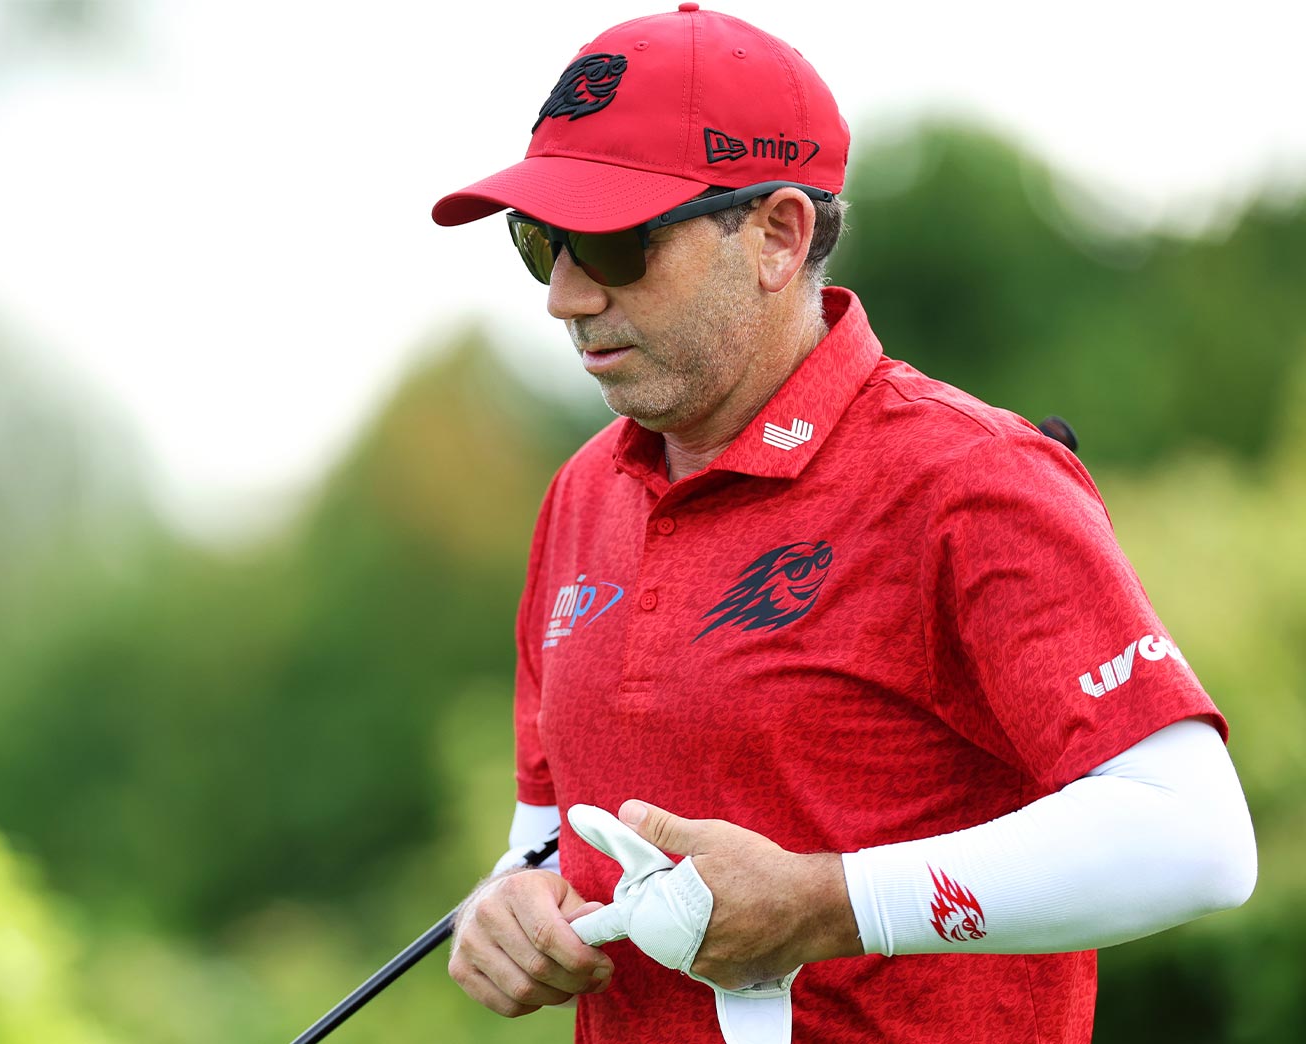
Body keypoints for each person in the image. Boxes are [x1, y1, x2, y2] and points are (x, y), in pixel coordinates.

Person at [428, 5, 1257, 1043]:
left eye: (610, 242)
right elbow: (549, 842)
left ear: (777, 235)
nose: (562, 293)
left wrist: (823, 903)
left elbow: (1195, 839)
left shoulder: (968, 478)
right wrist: (507, 905)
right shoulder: (580, 495)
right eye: (537, 240)